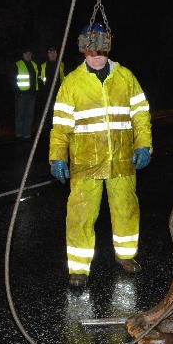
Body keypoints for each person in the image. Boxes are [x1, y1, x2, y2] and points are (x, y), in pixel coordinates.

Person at [49, 23, 152, 287]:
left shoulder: (126, 77)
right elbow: (60, 126)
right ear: (84, 50)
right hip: (85, 162)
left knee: (126, 209)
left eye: (101, 50)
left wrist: (144, 144)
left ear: (108, 48)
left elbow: (140, 114)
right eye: (91, 50)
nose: (97, 56)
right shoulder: (71, 83)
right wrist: (57, 156)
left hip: (121, 159)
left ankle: (126, 256)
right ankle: (78, 269)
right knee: (81, 214)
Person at [13, 48, 44, 139]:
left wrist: (38, 90)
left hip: (32, 94)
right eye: (26, 53)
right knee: (20, 115)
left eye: (30, 53)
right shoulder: (18, 64)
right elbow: (13, 79)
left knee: (29, 115)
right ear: (23, 54)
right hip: (21, 94)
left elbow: (37, 78)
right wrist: (17, 91)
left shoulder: (34, 64)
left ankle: (27, 134)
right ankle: (19, 134)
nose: (28, 55)